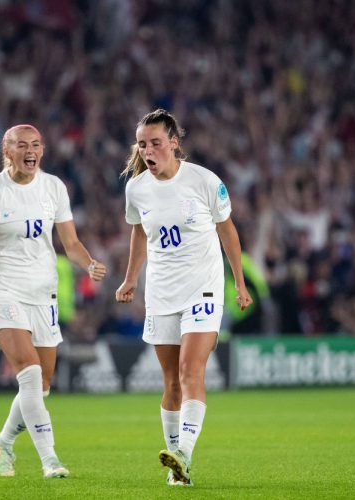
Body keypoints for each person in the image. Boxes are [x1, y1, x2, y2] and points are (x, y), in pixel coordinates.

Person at [115, 109, 252, 487]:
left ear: (174, 142)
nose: (148, 151)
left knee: (192, 371)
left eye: (156, 143)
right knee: (171, 382)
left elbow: (228, 233)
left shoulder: (205, 181)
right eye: (142, 144)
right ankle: (179, 467)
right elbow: (139, 233)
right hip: (161, 293)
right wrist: (130, 279)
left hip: (203, 288)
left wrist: (239, 283)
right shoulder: (137, 188)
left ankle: (184, 453)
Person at [0, 124, 107, 479]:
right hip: (3, 289)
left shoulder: (54, 187)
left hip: (43, 294)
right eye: (22, 145)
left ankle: (4, 440)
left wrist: (89, 263)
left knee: (41, 385)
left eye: (36, 145)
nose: (31, 151)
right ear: (7, 150)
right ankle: (50, 460)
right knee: (29, 376)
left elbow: (70, 244)